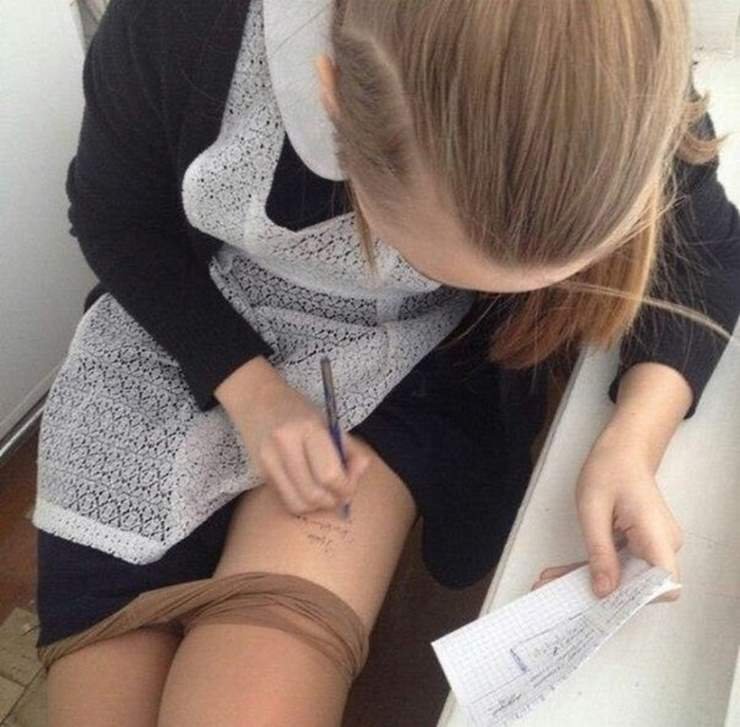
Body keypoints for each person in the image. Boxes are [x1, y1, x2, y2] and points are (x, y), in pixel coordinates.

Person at [31, 0, 740, 725]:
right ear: (335, 100)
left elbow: (706, 250)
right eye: (433, 257)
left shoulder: (606, 63)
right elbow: (114, 216)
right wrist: (251, 389)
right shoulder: (181, 23)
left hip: (412, 358)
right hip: (182, 317)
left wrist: (632, 442)